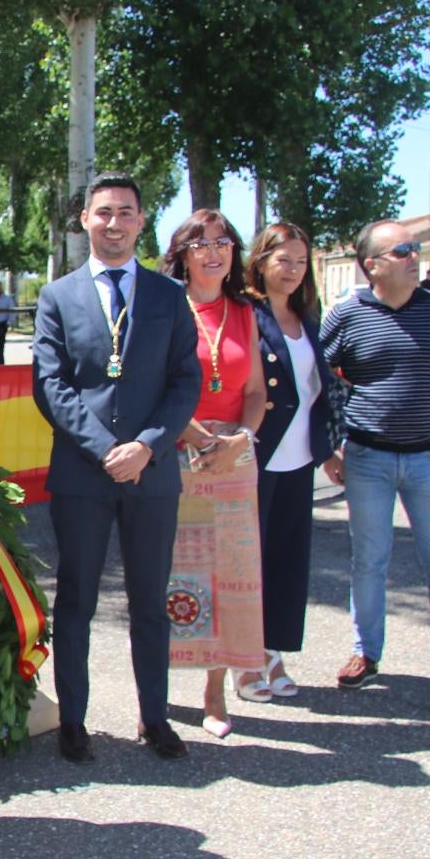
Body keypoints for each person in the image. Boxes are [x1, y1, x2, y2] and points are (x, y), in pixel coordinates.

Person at [32, 172, 201, 764]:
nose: (113, 223)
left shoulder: (168, 296)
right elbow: (51, 387)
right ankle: (74, 720)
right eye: (103, 212)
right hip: (84, 474)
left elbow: (186, 381)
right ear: (85, 220)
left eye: (125, 213)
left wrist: (148, 446)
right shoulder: (57, 297)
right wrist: (108, 449)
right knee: (75, 598)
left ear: (140, 221)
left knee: (150, 600)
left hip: (152, 475)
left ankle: (155, 717)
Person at [321, 219, 430, 699]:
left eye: (416, 248)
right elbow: (317, 381)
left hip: (428, 460)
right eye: (403, 251)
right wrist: (328, 449)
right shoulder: (346, 314)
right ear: (371, 265)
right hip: (366, 459)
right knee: (369, 562)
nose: (416, 257)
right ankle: (366, 653)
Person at [165, 210, 267, 738]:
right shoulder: (163, 307)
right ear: (182, 253)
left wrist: (239, 441)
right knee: (173, 574)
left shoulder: (246, 313)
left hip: (234, 458)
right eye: (200, 243)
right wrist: (201, 439)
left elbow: (255, 393)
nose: (213, 252)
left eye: (223, 242)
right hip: (179, 451)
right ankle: (153, 692)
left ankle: (214, 692)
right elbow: (153, 387)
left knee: (229, 579)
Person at [246, 223, 341, 699]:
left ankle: (274, 653)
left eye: (301, 262)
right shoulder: (247, 313)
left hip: (300, 457)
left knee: (287, 563)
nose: (293, 270)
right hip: (257, 455)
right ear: (261, 261)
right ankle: (245, 662)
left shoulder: (307, 316)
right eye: (284, 260)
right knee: (249, 564)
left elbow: (316, 390)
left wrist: (329, 449)